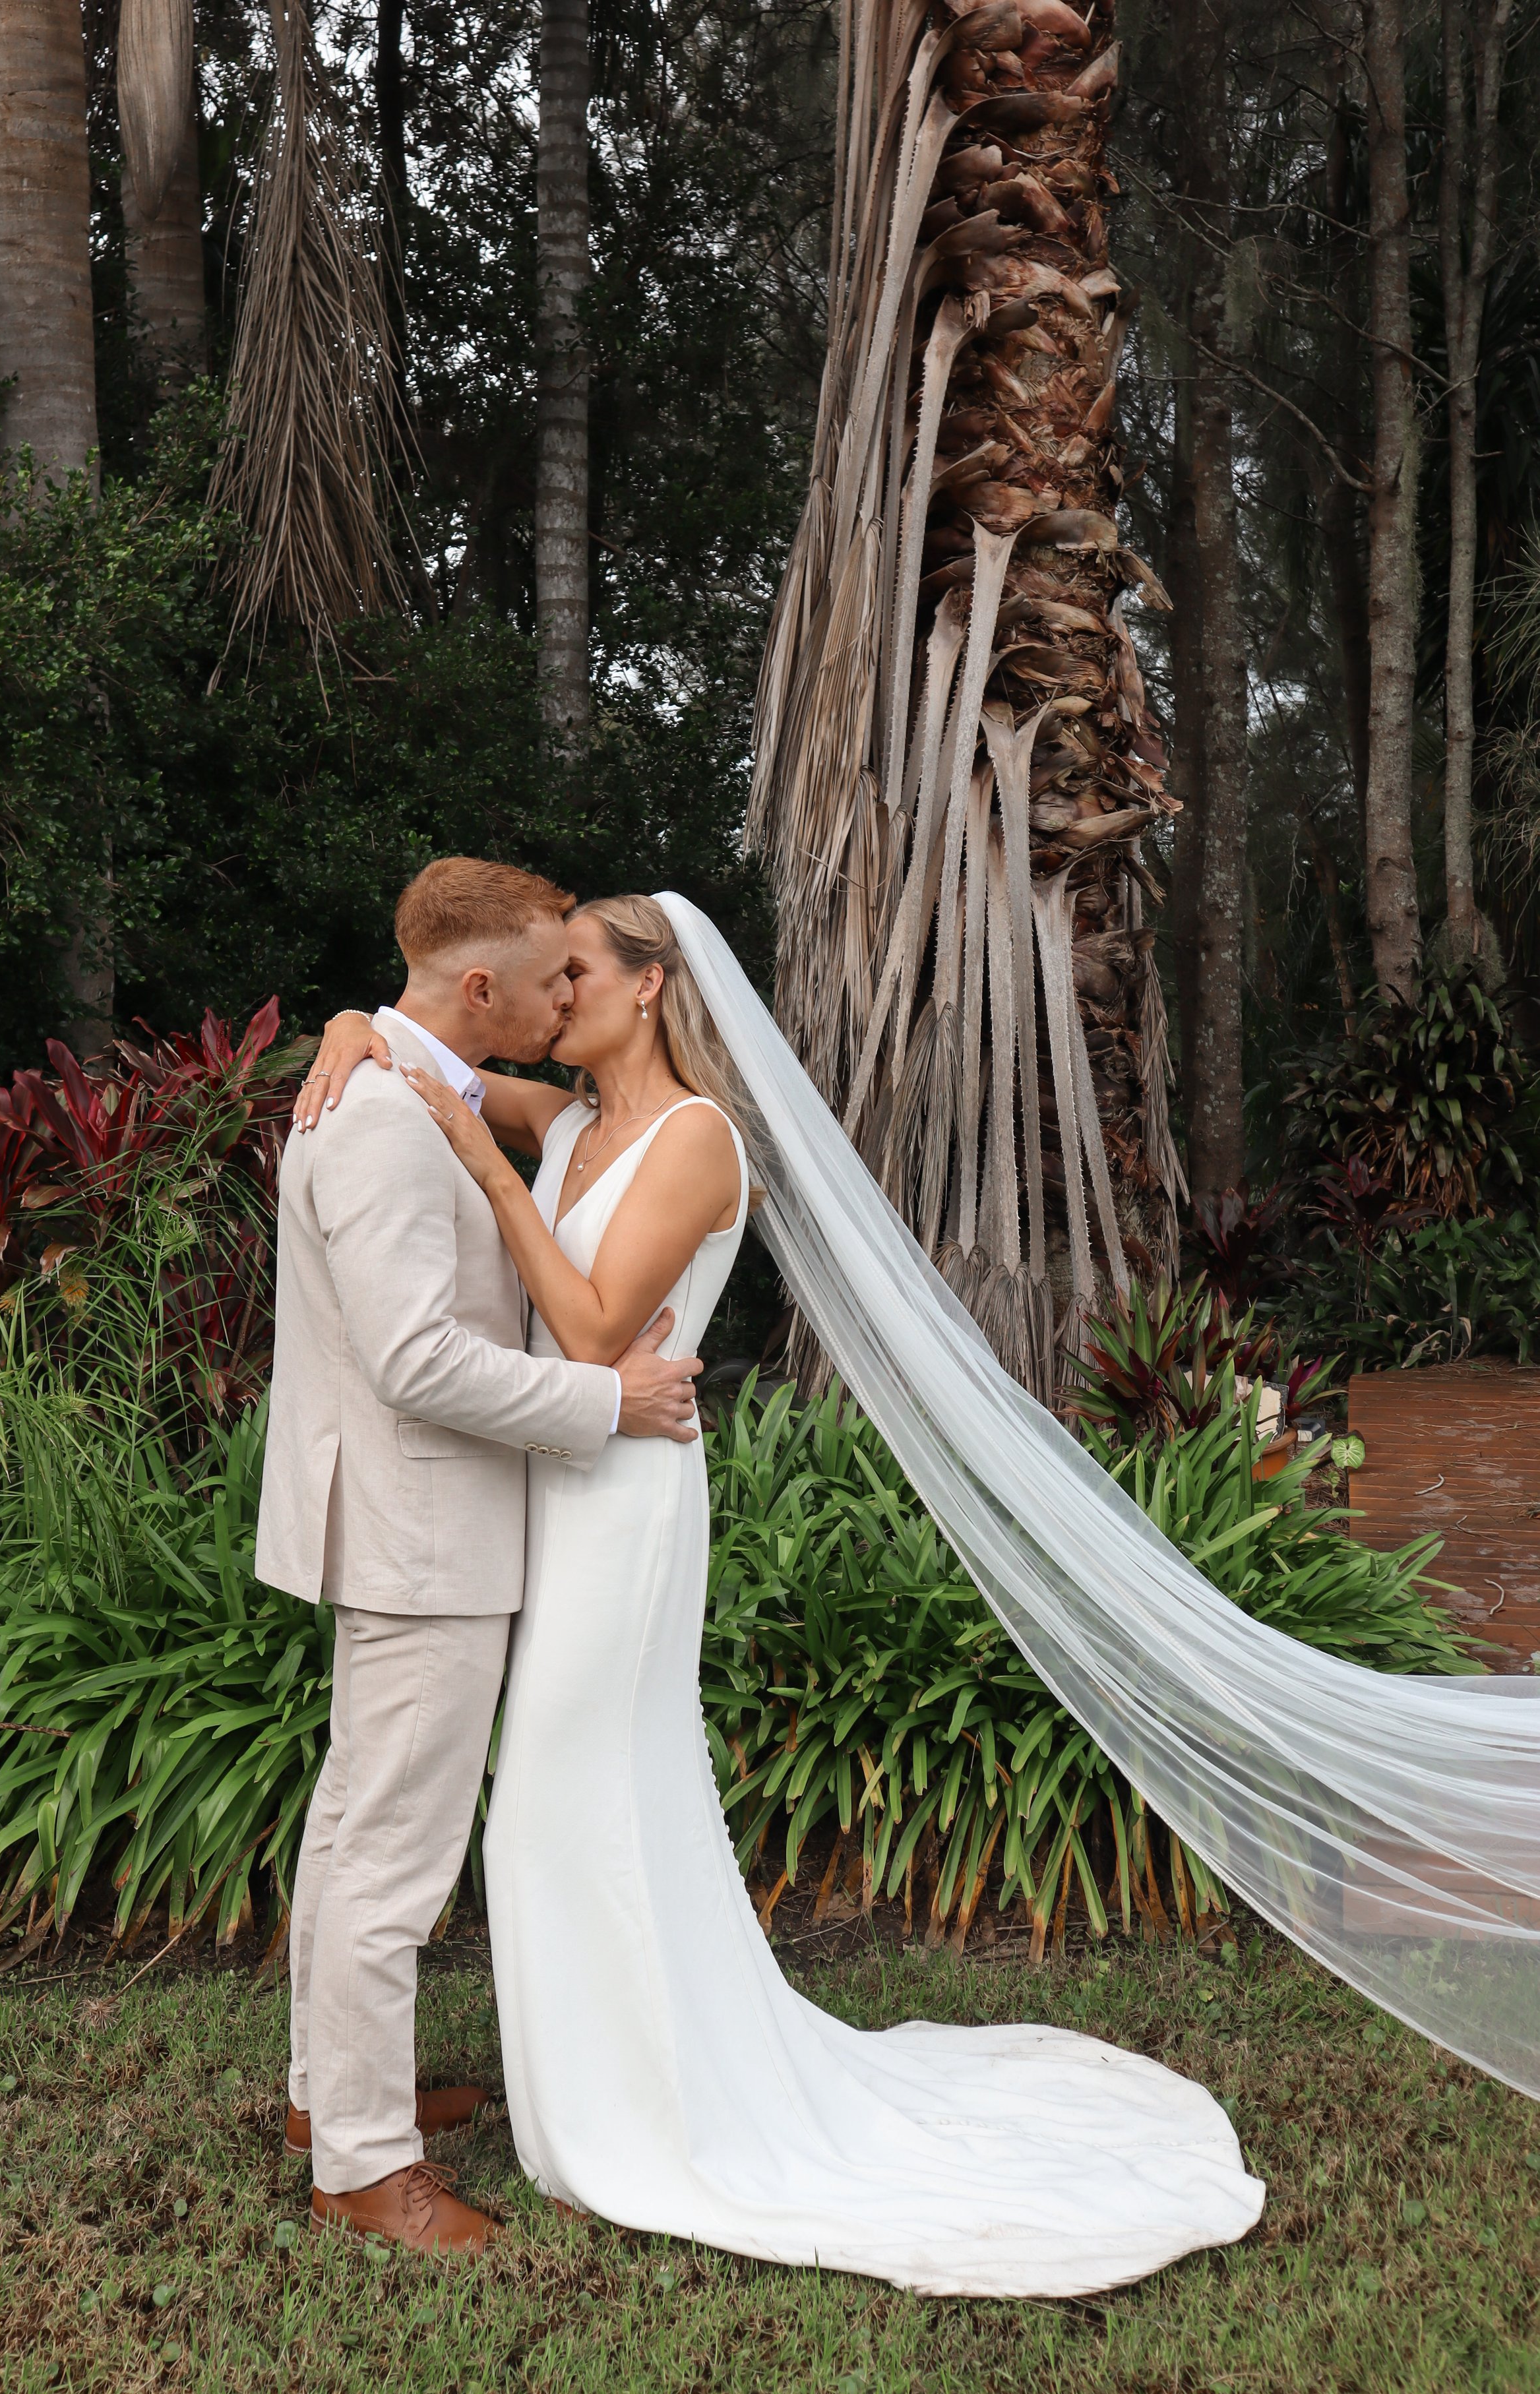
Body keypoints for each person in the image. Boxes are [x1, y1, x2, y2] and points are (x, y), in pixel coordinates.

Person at [297, 891, 1265, 2296]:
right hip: (552, 1496)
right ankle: (570, 2081)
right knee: (550, 1814)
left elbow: (586, 1327)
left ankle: (638, 2108)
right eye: (546, 978)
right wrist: (346, 1023)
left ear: (647, 988)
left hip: (621, 1506)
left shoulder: (695, 1142)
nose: (552, 997)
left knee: (571, 1794)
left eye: (574, 975)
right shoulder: (567, 1122)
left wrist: (486, 1171)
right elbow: (429, 1047)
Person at [257, 859, 703, 2260]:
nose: (564, 989)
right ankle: (365, 2170)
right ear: (476, 989)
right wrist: (605, 1403)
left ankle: (330, 2104)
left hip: (407, 1525)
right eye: (545, 974)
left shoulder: (397, 1085)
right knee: (388, 1853)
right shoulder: (387, 1121)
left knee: (352, 1827)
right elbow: (414, 1360)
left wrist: (353, 1023)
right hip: (421, 1532)